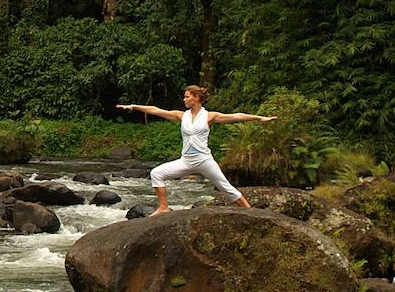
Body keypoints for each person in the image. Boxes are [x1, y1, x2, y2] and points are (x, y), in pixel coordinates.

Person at [116, 85, 277, 216]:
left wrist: (259, 118)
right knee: (156, 173)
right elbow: (156, 110)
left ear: (196, 98)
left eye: (187, 96)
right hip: (186, 160)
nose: (184, 99)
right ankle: (163, 207)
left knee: (225, 187)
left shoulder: (209, 116)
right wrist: (134, 106)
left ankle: (251, 212)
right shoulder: (181, 116)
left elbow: (237, 116)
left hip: (204, 160)